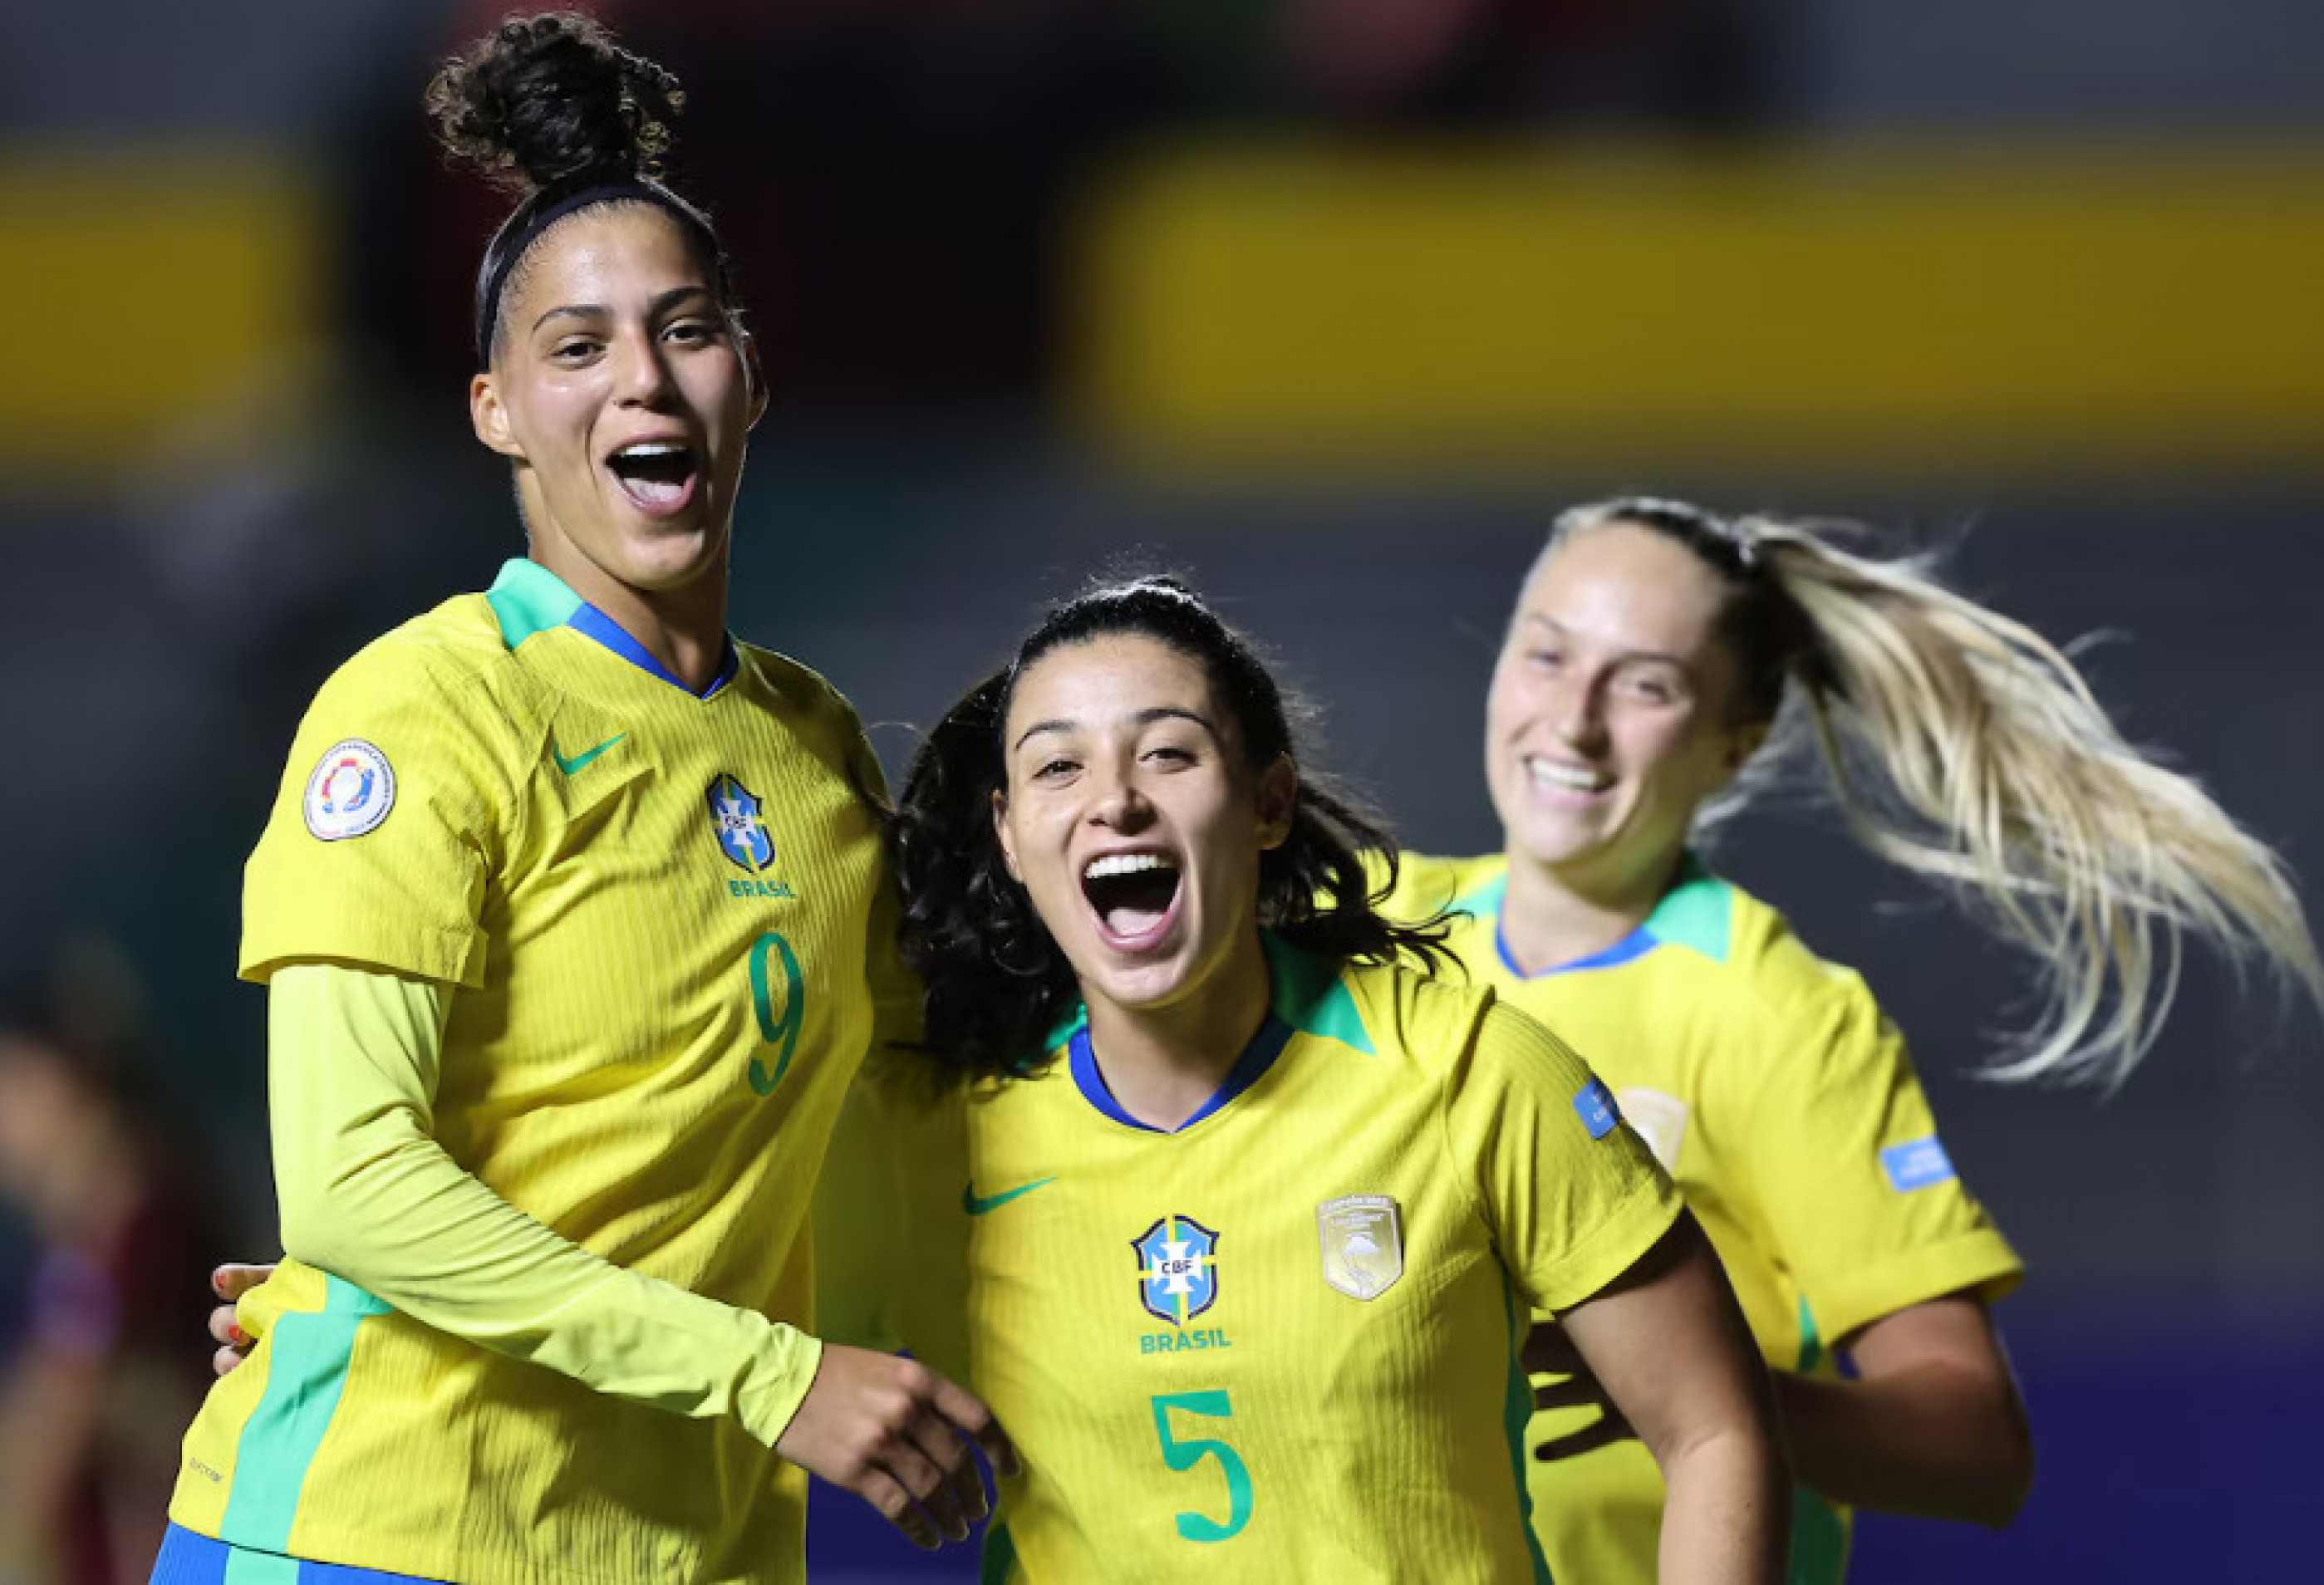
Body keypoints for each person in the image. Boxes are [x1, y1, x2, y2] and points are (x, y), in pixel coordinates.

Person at [156, 15, 1009, 1584]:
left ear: (749, 373)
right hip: (380, 1529)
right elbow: (352, 1184)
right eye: (576, 345)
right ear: (494, 409)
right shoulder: (427, 705)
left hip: (692, 1550)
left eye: (686, 330)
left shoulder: (814, 744)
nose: (643, 378)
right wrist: (775, 1375)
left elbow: (917, 1115)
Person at [1373, 495, 2324, 1583]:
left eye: (1645, 685)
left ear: (1734, 744)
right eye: (1546, 655)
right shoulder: (1358, 934)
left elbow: (1977, 1449)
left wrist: (1674, 1384)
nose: (1574, 719)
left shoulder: (1780, 1016)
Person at [820, 573, 1791, 1582]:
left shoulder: (1466, 1071)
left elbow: (1715, 1433)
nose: (1114, 800)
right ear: (1013, 837)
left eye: (1166, 752)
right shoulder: (927, 1134)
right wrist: (791, 1387)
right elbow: (710, 1318)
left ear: (1268, 801)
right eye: (1057, 768)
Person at [0, 983, 221, 1585]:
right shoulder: (85, 1239)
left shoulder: (133, 1224)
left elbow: (58, 1419)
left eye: (16, 1086)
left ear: (76, 1082)